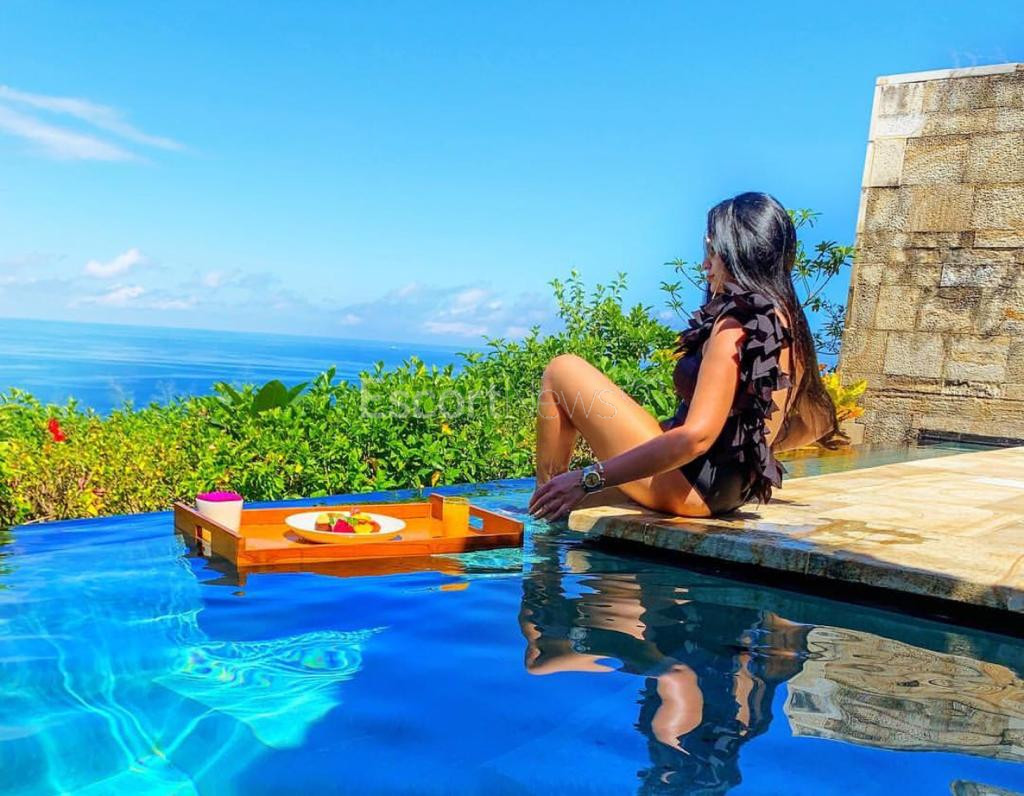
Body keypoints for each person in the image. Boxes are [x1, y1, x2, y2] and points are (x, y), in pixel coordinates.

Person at [529, 192, 842, 521]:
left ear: (740, 251)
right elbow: (818, 420)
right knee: (593, 495)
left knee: (562, 371)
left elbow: (696, 437)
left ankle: (545, 506)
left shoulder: (734, 326)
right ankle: (555, 500)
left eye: (712, 250)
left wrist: (587, 478)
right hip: (727, 492)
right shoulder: (786, 323)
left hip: (688, 488)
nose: (705, 263)